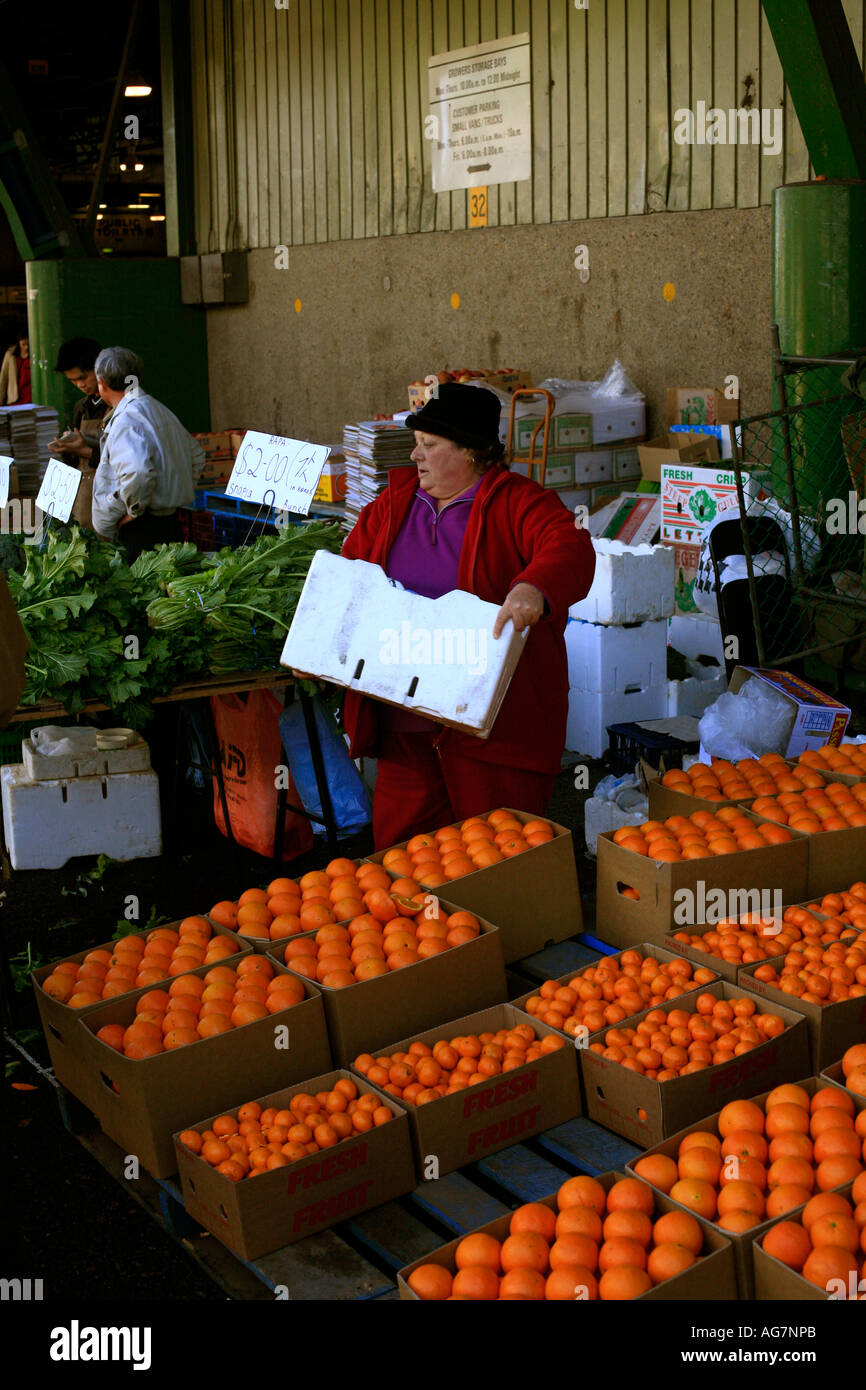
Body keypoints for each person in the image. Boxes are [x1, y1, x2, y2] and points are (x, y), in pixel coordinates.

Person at [337, 383, 596, 850]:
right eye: (416, 444)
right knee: (402, 859)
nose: (415, 456)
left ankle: (512, 924)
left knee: (499, 855)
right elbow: (349, 579)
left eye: (430, 445)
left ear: (473, 452)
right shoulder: (391, 506)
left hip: (492, 730)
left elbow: (568, 543)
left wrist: (533, 585)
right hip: (403, 722)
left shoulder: (519, 501)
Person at [90, 346, 205, 560]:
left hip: (143, 531)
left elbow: (139, 473)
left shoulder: (127, 420)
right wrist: (174, 489)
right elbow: (197, 456)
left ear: (101, 383)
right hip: (170, 523)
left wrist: (133, 512)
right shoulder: (159, 410)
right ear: (138, 377)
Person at [50, 337, 107, 470]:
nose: (80, 385)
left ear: (98, 368)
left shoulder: (119, 406)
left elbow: (123, 459)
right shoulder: (81, 407)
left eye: (83, 378)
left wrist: (86, 451)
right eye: (73, 381)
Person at [0, 324, 31, 405]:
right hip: (14, 399)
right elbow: (3, 378)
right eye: (23, 344)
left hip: (30, 399)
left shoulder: (35, 354)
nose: (26, 347)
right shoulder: (11, 355)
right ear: (19, 342)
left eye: (28, 344)